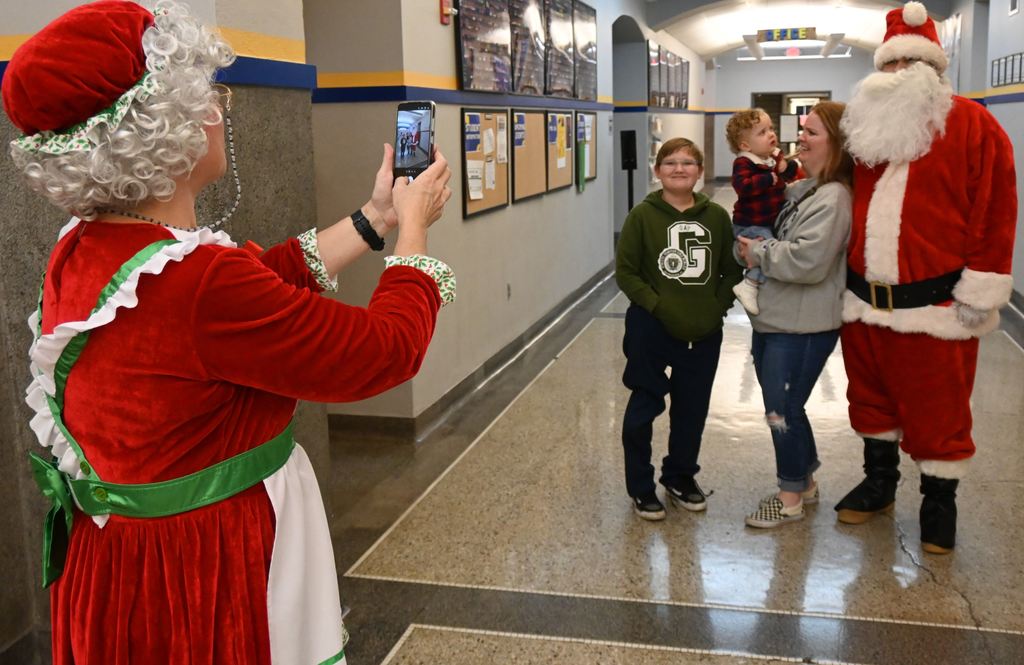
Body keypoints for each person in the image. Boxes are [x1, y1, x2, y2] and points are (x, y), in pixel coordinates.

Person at [3, 2, 454, 664]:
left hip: (121, 557)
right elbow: (383, 351)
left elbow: (259, 287)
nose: (222, 108)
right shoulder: (198, 283)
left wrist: (377, 215)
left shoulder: (90, 245)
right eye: (209, 95)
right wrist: (415, 230)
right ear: (170, 127)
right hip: (204, 562)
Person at [835, 1, 1017, 554]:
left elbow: (996, 208)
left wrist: (982, 287)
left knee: (939, 411)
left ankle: (939, 504)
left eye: (910, 64)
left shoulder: (973, 124)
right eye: (890, 64)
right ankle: (879, 484)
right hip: (863, 304)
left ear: (934, 69)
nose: (898, 74)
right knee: (870, 400)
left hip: (936, 307)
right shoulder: (866, 130)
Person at [736, 101, 853, 529]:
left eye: (812, 133)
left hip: (801, 327)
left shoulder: (835, 198)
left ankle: (788, 498)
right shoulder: (808, 189)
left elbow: (808, 262)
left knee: (781, 412)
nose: (800, 137)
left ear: (836, 143)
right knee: (788, 408)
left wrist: (758, 251)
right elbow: (763, 219)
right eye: (803, 130)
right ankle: (804, 481)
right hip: (776, 319)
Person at [615, 138, 743, 520]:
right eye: (670, 162)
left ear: (700, 171)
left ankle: (680, 477)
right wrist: (658, 307)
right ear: (657, 171)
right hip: (650, 329)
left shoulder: (716, 217)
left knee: (692, 411)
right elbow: (627, 273)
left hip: (703, 331)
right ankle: (641, 487)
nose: (679, 169)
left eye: (688, 162)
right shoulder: (642, 216)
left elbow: (730, 270)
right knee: (643, 409)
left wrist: (716, 308)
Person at [726, 108, 800, 316]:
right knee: (765, 251)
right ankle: (749, 284)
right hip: (751, 223)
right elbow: (742, 186)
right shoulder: (744, 162)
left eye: (771, 128)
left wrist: (786, 167)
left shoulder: (771, 157)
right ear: (745, 145)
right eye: (762, 132)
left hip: (768, 221)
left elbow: (790, 174)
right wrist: (767, 179)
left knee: (769, 250)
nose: (771, 134)